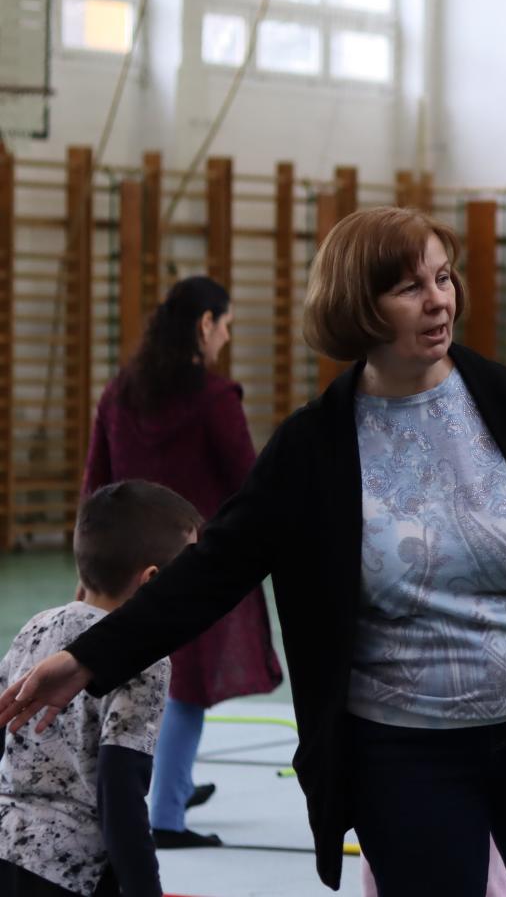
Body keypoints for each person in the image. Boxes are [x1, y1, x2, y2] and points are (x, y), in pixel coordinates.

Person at [0, 207, 506, 895]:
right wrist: (90, 657)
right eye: (410, 287)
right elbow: (209, 572)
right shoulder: (313, 449)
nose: (438, 299)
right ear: (360, 306)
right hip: (405, 754)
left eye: (443, 277)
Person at [82, 276, 283, 848]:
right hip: (192, 566)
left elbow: (95, 486)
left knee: (130, 679)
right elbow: (249, 484)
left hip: (122, 569)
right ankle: (166, 816)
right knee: (186, 688)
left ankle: (167, 783)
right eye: (226, 326)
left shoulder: (118, 394)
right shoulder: (215, 400)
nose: (226, 338)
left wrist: (87, 573)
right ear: (204, 324)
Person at [0, 481, 199, 897]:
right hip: (71, 871)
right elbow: (119, 792)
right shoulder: (143, 660)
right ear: (152, 581)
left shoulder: (37, 626)